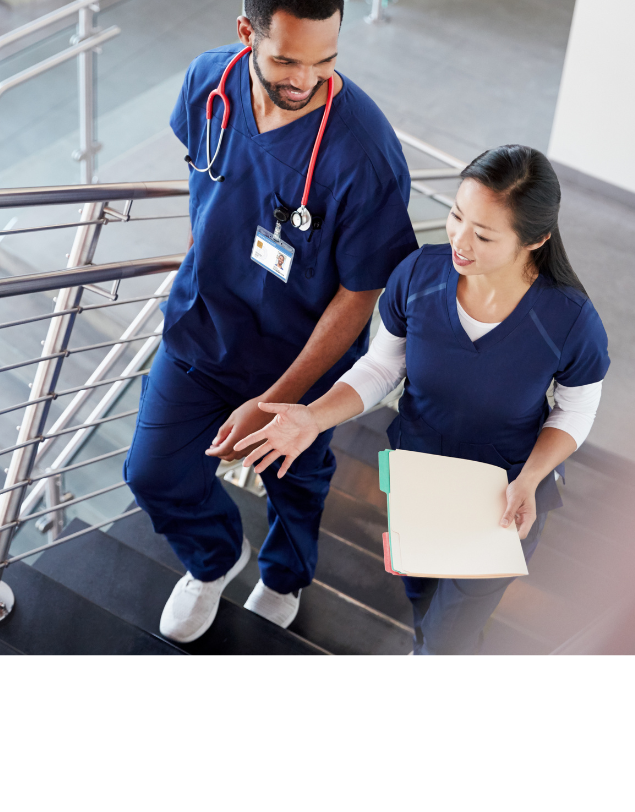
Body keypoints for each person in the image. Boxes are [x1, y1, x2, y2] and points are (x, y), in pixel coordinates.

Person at [123, 0, 420, 643]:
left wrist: (277, 400)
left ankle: (286, 575)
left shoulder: (364, 154)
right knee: (152, 472)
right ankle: (215, 557)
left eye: (325, 61)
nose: (306, 81)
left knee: (297, 482)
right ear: (246, 33)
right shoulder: (209, 83)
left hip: (301, 365)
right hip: (202, 329)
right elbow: (205, 178)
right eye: (287, 61)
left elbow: (360, 294)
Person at [230, 144, 611, 654]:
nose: (460, 240)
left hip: (504, 493)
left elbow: (576, 407)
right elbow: (382, 366)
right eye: (456, 215)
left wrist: (532, 477)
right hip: (419, 473)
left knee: (453, 628)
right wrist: (314, 418)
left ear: (536, 239)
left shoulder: (569, 321)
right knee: (420, 592)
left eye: (484, 235)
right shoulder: (418, 275)